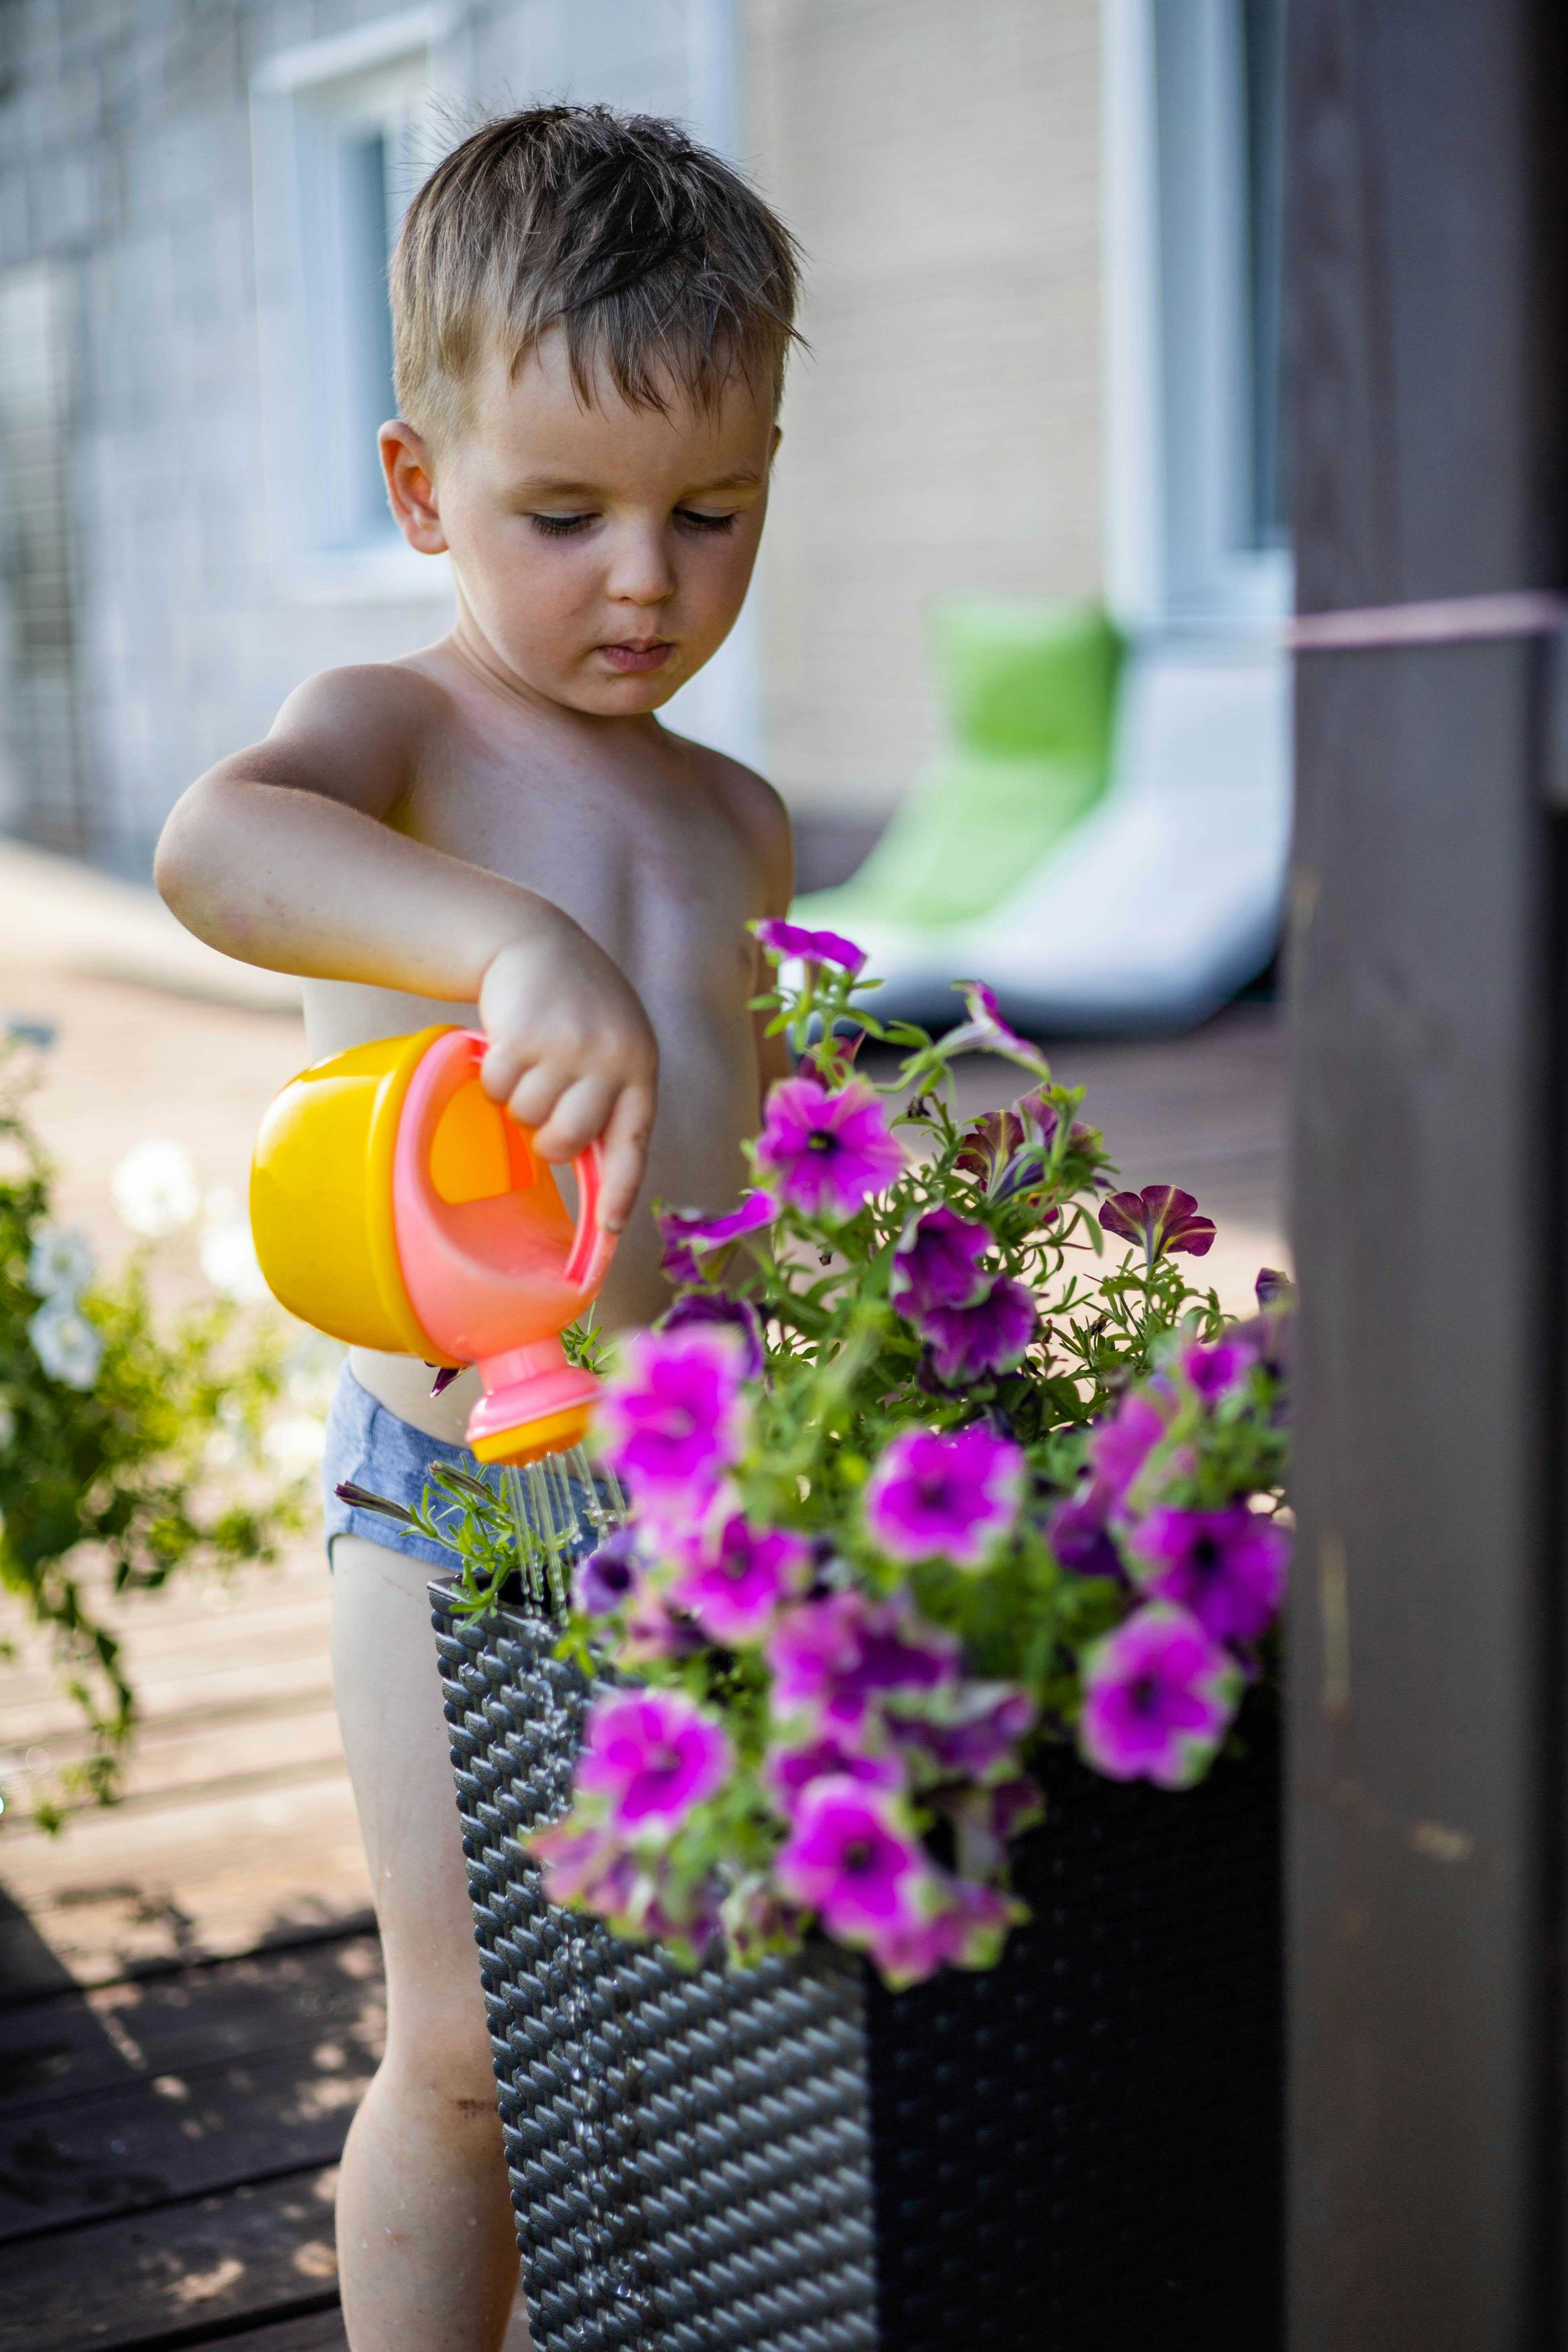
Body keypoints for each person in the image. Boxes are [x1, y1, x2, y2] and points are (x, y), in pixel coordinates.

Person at [154, 105, 800, 2352]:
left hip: (706, 1498)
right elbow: (215, 851)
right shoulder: (400, 745)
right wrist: (512, 941)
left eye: (712, 512)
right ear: (425, 491)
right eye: (565, 515)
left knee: (712, 2034)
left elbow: (753, 1150)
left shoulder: (741, 816)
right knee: (469, 2052)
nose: (646, 578)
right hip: (456, 1509)